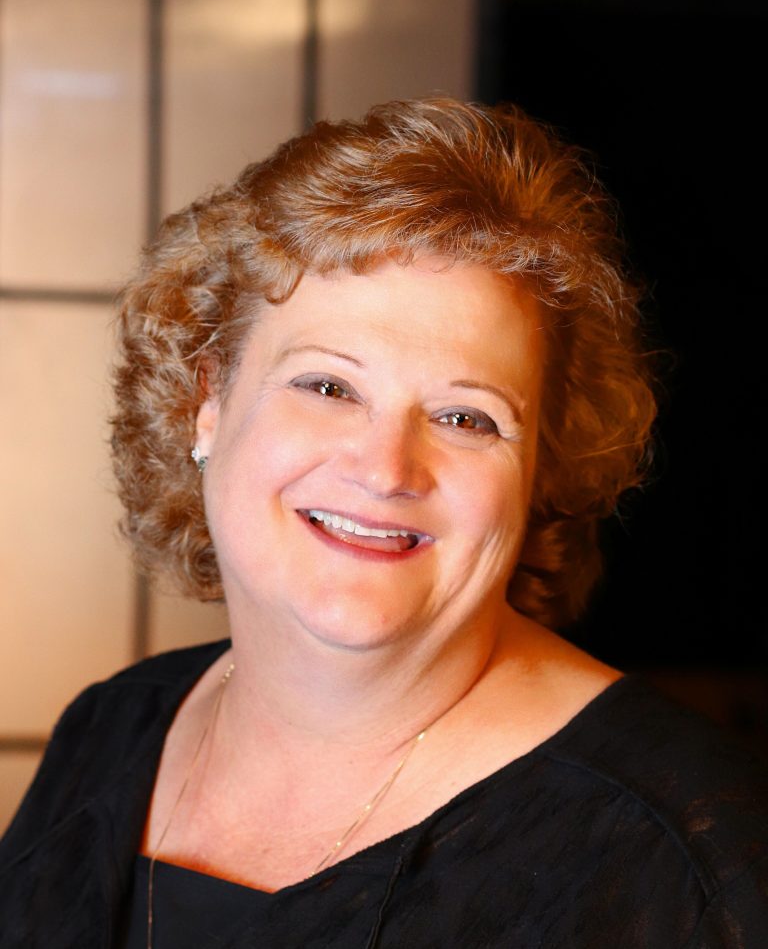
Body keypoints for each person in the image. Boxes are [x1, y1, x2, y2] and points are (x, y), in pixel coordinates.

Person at [1, 98, 766, 949]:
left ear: (540, 470)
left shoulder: (686, 859)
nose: (386, 469)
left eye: (467, 417)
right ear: (207, 401)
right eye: (328, 386)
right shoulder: (109, 730)